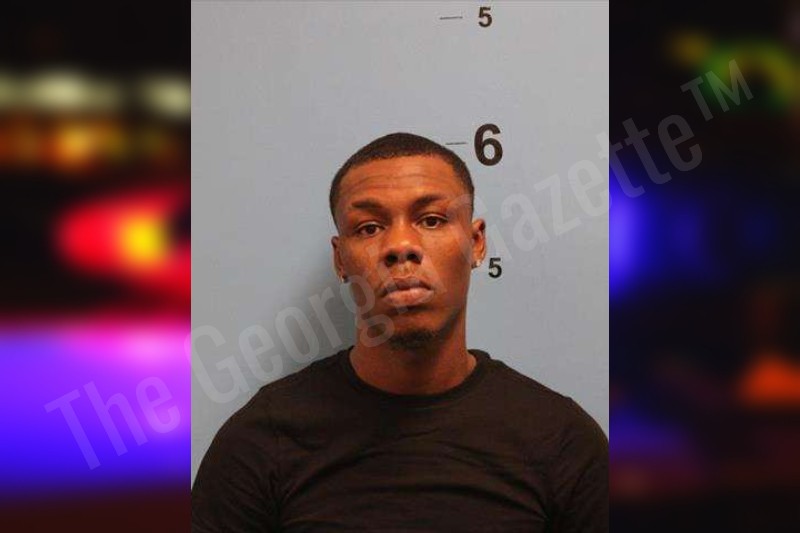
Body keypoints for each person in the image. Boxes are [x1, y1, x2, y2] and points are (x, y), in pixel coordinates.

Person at [192, 133, 608, 532]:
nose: (400, 245)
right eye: (369, 227)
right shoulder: (263, 442)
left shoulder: (561, 441)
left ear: (476, 243)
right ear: (340, 260)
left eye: (431, 220)